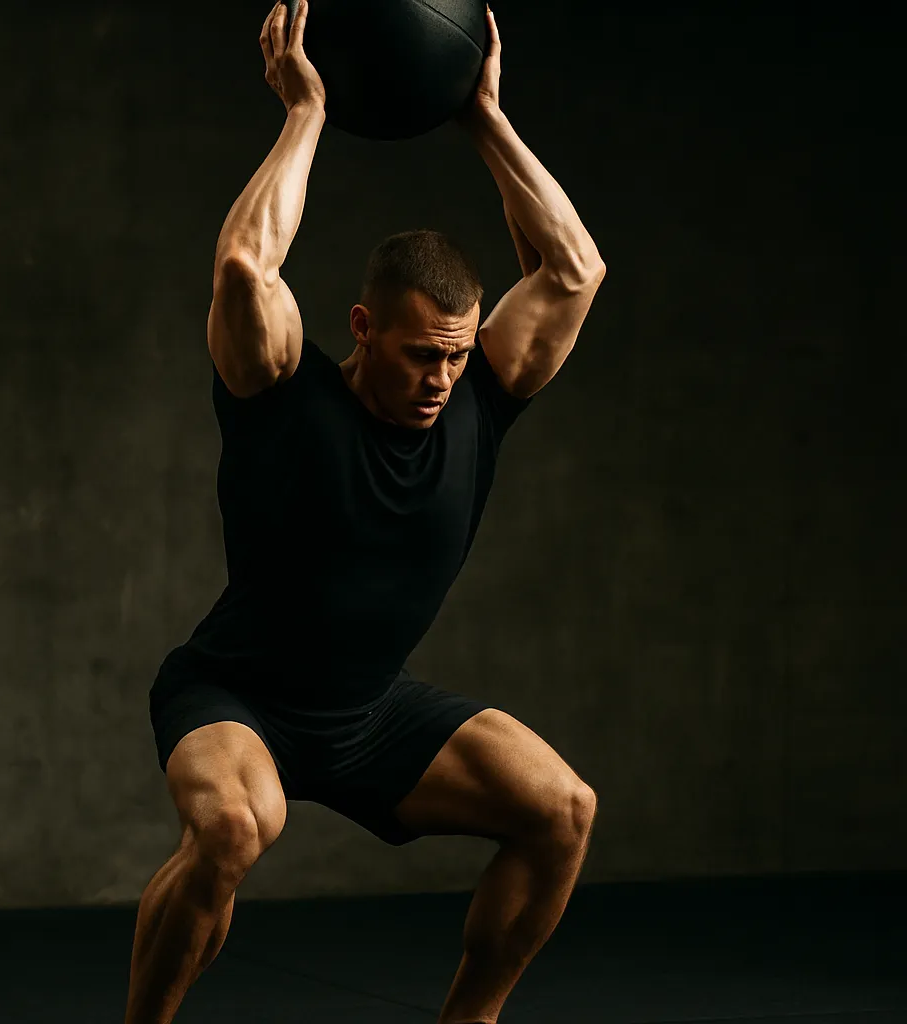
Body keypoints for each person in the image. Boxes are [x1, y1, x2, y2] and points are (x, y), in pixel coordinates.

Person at [125, 3, 606, 1022]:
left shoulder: (480, 400)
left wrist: (479, 113)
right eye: (419, 352)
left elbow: (572, 271)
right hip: (237, 695)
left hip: (368, 711)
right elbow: (244, 270)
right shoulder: (281, 393)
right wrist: (306, 111)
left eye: (456, 354)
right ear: (362, 327)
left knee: (562, 810)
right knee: (230, 830)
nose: (441, 376)